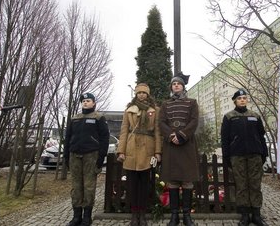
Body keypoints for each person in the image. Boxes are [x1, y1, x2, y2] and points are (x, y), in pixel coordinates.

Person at [220, 89, 268, 226]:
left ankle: (257, 215)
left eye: (244, 98)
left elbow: (261, 136)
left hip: (255, 154)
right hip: (237, 155)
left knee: (255, 184)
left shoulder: (255, 116)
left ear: (247, 100)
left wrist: (264, 153)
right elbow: (224, 139)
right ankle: (245, 215)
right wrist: (226, 156)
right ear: (235, 101)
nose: (242, 100)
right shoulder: (229, 117)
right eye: (239, 98)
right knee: (241, 185)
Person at [116, 83, 162, 226]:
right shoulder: (129, 110)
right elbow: (124, 131)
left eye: (144, 93)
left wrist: (158, 151)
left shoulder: (155, 110)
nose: (141, 95)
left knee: (144, 185)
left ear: (148, 95)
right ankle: (134, 214)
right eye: (139, 93)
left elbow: (157, 132)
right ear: (135, 95)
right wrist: (121, 151)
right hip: (131, 148)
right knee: (132, 185)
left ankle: (142, 214)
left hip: (147, 149)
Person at [159, 72, 199, 226]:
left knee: (187, 181)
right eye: (174, 84)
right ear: (171, 87)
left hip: (186, 145)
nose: (176, 85)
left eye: (179, 83)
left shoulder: (192, 102)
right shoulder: (165, 104)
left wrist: (182, 135)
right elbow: (161, 122)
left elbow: (194, 121)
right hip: (171, 146)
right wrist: (171, 136)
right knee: (173, 182)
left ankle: (187, 216)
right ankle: (174, 216)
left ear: (183, 86)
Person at [64, 93, 110, 226]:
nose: (85, 103)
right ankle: (76, 217)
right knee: (76, 187)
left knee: (89, 187)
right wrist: (66, 155)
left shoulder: (98, 118)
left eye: (88, 100)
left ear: (94, 103)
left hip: (91, 155)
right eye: (83, 101)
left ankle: (86, 217)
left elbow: (104, 139)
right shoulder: (75, 118)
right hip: (74, 156)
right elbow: (67, 138)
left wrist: (101, 158)